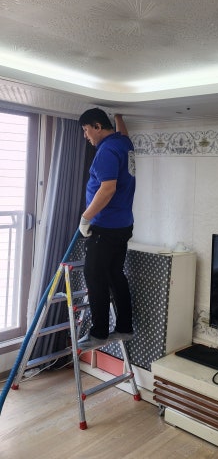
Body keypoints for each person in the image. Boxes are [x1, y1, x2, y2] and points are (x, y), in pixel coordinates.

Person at [77, 108, 136, 350]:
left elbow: (107, 189)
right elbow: (124, 133)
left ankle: (99, 332)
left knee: (95, 276)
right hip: (123, 225)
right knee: (114, 274)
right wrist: (119, 117)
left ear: (98, 127)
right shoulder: (123, 143)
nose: (85, 136)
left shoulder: (106, 151)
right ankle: (124, 327)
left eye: (86, 130)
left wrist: (85, 218)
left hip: (105, 227)